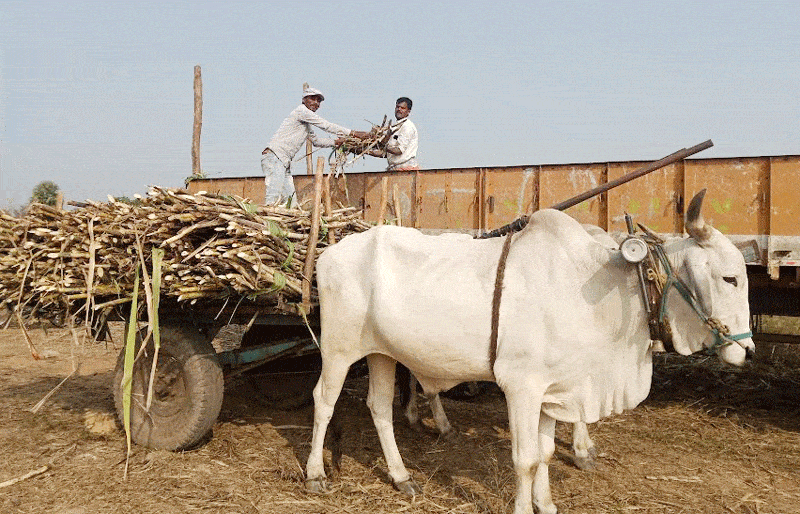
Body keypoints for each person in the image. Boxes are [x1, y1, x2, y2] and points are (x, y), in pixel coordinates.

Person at [261, 87, 369, 205]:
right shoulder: (301, 111)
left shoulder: (306, 124)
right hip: (275, 157)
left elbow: (316, 141)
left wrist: (336, 142)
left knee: (291, 203)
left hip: (284, 161)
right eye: (313, 99)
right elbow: (326, 125)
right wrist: (353, 133)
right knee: (273, 197)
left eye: (318, 101)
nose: (316, 103)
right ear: (304, 100)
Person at [384, 97, 419, 171]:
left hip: (405, 169)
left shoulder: (407, 126)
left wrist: (382, 146)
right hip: (394, 168)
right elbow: (387, 153)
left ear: (408, 111)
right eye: (397, 107)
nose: (399, 109)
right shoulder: (395, 127)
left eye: (402, 108)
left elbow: (399, 150)